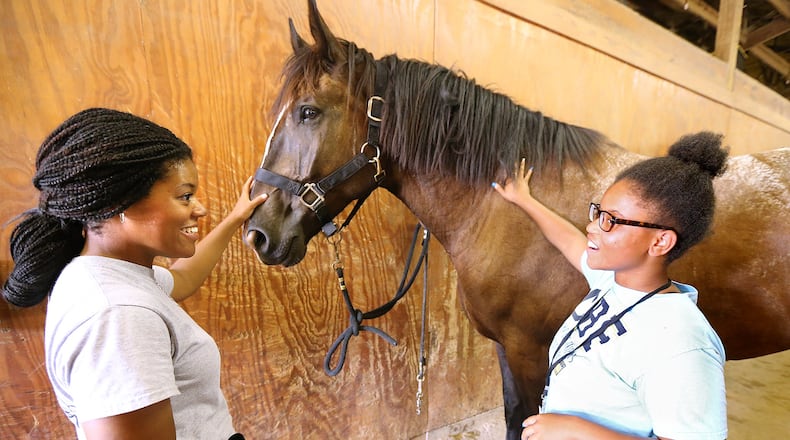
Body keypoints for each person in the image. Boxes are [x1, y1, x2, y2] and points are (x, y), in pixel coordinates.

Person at [3, 108, 267, 440]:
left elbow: (183, 278)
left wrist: (234, 219)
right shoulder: (117, 316)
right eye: (185, 196)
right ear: (122, 203)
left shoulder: (111, 275)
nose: (199, 208)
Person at [492, 131, 729, 439]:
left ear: (660, 241)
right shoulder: (614, 283)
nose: (592, 227)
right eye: (598, 213)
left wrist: (574, 430)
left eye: (612, 221)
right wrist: (524, 199)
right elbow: (569, 240)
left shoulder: (680, 342)